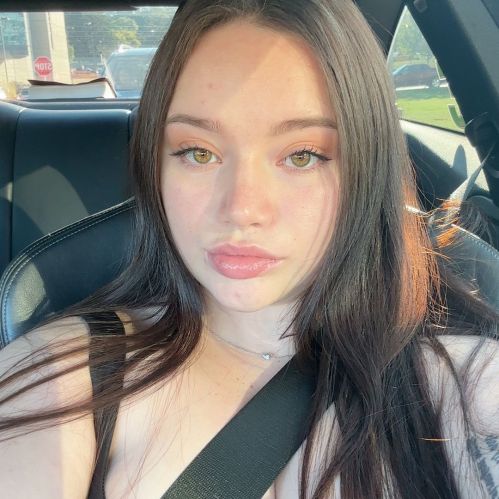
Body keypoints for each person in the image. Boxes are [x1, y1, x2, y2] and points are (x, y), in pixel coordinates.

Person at [0, 0, 498, 497]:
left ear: (367, 170)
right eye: (199, 153)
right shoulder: (64, 375)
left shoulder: (464, 384)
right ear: (156, 167)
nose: (241, 209)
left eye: (302, 156)